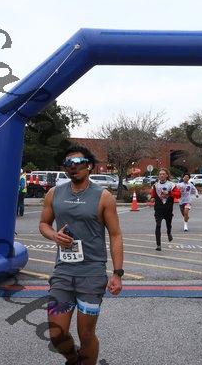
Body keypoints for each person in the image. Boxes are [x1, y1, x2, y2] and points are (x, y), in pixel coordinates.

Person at [39, 145, 124, 365]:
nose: (73, 167)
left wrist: (117, 273)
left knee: (86, 335)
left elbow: (115, 235)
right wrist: (54, 236)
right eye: (68, 163)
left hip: (92, 274)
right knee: (56, 334)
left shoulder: (103, 197)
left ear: (89, 166)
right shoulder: (54, 193)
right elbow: (43, 224)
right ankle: (74, 359)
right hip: (63, 273)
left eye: (78, 162)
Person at [149, 168, 180, 251]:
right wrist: (152, 198)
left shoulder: (171, 185)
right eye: (160, 174)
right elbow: (153, 195)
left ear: (166, 175)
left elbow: (178, 194)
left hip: (168, 209)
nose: (161, 175)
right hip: (158, 209)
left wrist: (169, 193)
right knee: (158, 225)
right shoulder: (155, 185)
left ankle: (169, 233)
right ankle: (158, 245)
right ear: (158, 176)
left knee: (168, 225)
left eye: (163, 174)